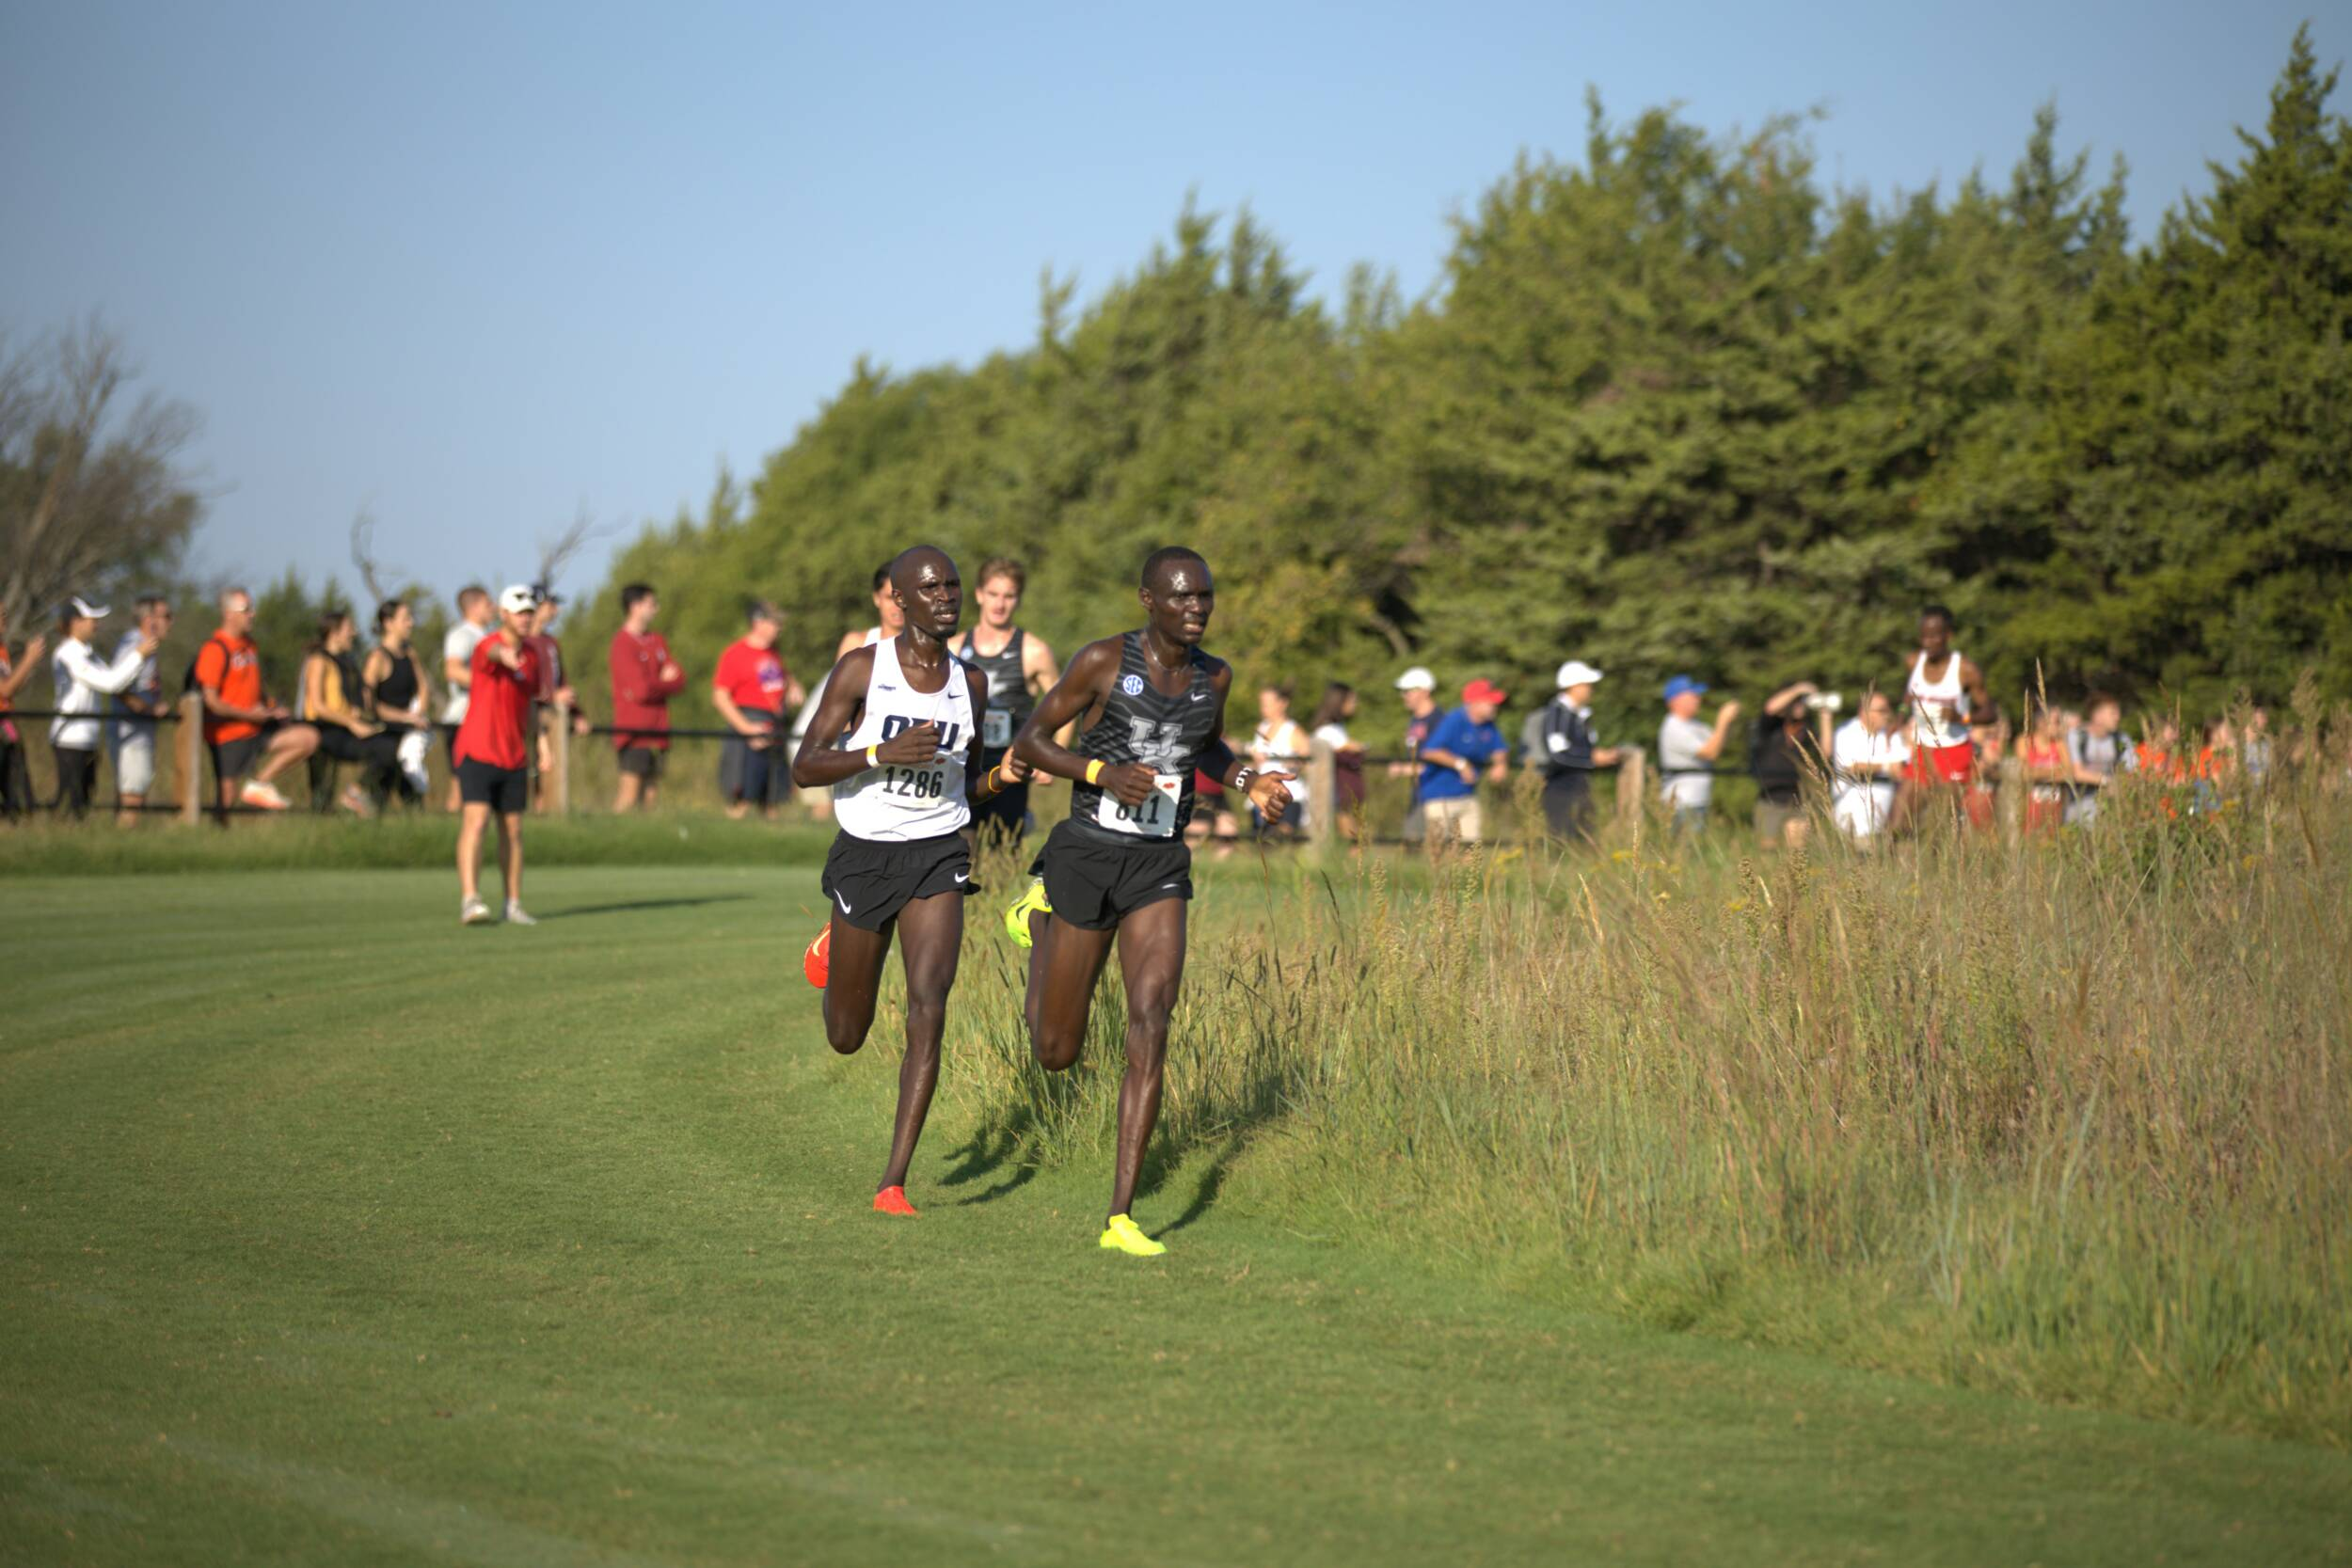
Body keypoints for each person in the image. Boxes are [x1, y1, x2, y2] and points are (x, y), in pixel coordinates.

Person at [1001, 546, 1295, 1256]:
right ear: (1149, 600)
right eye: (1183, 596)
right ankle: (1038, 913)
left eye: (1205, 596)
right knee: (1055, 1050)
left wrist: (1249, 781)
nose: (1197, 608)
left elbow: (1207, 747)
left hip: (1159, 863)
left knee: (1152, 1019)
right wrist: (1102, 772)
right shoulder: (1102, 661)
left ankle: (1120, 1216)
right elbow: (1032, 742)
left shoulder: (1214, 675)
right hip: (1087, 853)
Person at [792, 547, 1026, 1216]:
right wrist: (877, 752)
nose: (946, 596)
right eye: (930, 587)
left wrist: (1001, 778)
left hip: (938, 853)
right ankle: (836, 940)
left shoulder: (970, 683)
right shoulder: (863, 668)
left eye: (953, 584)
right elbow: (805, 766)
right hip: (866, 854)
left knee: (930, 1002)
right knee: (846, 1034)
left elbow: (964, 785)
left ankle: (893, 1180)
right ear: (899, 598)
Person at [453, 586, 545, 926]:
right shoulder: (486, 645)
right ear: (504, 615)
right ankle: (470, 900)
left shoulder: (532, 655)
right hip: (478, 750)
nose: (525, 618)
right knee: (476, 822)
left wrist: (542, 743)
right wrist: (504, 655)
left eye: (529, 612)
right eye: (519, 612)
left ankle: (513, 903)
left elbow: (530, 704)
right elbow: (491, 652)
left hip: (514, 755)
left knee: (514, 830)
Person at [956, 556, 1061, 844]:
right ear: (979, 594)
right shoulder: (954, 647)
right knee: (961, 853)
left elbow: (1063, 709)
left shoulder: (1034, 651)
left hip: (1012, 768)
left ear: (1018, 599)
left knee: (1004, 853)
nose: (999, 604)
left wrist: (1052, 758)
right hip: (964, 767)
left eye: (1009, 596)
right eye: (993, 594)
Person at [792, 565, 909, 823]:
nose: (897, 606)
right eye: (889, 597)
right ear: (876, 598)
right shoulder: (856, 643)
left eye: (902, 598)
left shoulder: (923, 649)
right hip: (858, 748)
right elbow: (837, 701)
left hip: (901, 749)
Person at [192, 587, 320, 815]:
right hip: (228, 734)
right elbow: (211, 701)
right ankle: (215, 833)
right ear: (229, 613)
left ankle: (260, 783)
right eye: (247, 609)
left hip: (256, 727)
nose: (253, 614)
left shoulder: (249, 645)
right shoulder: (215, 649)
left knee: (307, 738)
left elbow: (252, 687)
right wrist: (248, 714)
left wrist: (272, 707)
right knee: (227, 798)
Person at [48, 596, 159, 818]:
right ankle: (57, 833)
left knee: (83, 801)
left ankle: (72, 834)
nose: (96, 624)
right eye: (92, 619)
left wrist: (139, 661)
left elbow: (114, 678)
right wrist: (138, 655)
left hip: (86, 739)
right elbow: (110, 683)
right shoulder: (69, 654)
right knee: (70, 802)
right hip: (69, 739)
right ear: (75, 622)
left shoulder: (89, 654)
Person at [1895, 607, 1993, 832]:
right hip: (1923, 750)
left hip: (1954, 752)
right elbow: (1909, 693)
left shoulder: (1966, 669)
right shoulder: (1913, 661)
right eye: (1923, 636)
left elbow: (1990, 713)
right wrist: (1900, 715)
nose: (1927, 642)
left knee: (1942, 827)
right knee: (1897, 825)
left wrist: (1961, 717)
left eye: (1934, 636)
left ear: (1948, 636)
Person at [298, 610, 402, 813]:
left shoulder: (348, 662)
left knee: (389, 747)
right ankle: (355, 793)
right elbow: (318, 706)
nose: (354, 633)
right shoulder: (318, 660)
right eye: (349, 629)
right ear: (334, 633)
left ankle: (371, 805)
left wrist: (359, 713)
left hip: (343, 727)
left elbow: (348, 701)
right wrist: (351, 722)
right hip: (324, 729)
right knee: (385, 749)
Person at [713, 599, 803, 820]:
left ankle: (770, 835)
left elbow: (782, 679)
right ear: (758, 622)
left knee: (772, 798)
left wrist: (793, 687)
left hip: (773, 724)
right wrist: (746, 728)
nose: (779, 627)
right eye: (775, 622)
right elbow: (720, 697)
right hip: (748, 724)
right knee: (742, 797)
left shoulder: (773, 653)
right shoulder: (736, 653)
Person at [610, 582, 684, 810]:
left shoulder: (657, 640)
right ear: (635, 606)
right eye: (651, 604)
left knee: (651, 797)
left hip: (659, 730)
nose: (656, 609)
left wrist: (659, 683)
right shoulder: (622, 643)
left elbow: (680, 680)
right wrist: (663, 681)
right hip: (634, 731)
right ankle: (614, 830)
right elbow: (640, 691)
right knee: (629, 794)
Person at [1416, 679, 1511, 847]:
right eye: (1490, 702)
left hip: (1467, 795)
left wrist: (1500, 764)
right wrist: (1460, 764)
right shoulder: (1454, 720)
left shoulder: (1488, 725)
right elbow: (1430, 751)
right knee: (1438, 849)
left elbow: (1499, 748)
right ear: (1474, 703)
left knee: (1472, 849)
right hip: (1440, 797)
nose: (1495, 706)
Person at [1535, 660, 1622, 842]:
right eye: (1587, 685)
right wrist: (1592, 759)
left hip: (1579, 788)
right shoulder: (1558, 713)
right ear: (1574, 686)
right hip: (1560, 791)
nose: (1591, 689)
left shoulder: (1579, 714)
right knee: (1562, 841)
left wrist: (1596, 756)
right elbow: (1558, 755)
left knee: (1584, 841)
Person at [107, 594, 173, 824]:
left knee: (135, 792)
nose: (170, 622)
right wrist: (148, 710)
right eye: (166, 616)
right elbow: (117, 686)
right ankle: (124, 839)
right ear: (149, 619)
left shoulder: (147, 646)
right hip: (130, 735)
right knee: (132, 797)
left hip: (139, 734)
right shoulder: (133, 644)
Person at [362, 599, 436, 802]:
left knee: (412, 792)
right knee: (384, 784)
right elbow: (369, 702)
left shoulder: (410, 654)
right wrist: (405, 718)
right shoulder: (377, 658)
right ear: (388, 623)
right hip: (385, 734)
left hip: (409, 731)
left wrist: (418, 713)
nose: (411, 623)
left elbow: (423, 687)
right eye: (405, 619)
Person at [1752, 681, 1833, 849]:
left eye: (1803, 701)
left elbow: (1825, 753)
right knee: (1767, 849)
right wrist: (1799, 689)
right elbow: (1771, 708)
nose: (1800, 705)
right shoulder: (1770, 726)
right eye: (1796, 702)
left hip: (1798, 797)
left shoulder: (1806, 729)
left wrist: (1826, 718)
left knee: (1797, 852)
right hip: (1770, 797)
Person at [1656, 674, 1740, 833]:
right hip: (1683, 803)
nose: (1698, 699)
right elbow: (1710, 752)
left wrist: (1728, 723)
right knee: (1684, 847)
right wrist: (1723, 719)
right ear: (1676, 700)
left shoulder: (1695, 724)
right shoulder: (1673, 727)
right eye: (1693, 695)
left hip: (1697, 801)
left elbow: (1718, 744)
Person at [523, 589, 584, 802]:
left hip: (554, 717)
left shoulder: (550, 642)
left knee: (550, 775)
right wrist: (550, 696)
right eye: (551, 605)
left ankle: (546, 812)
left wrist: (577, 713)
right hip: (528, 716)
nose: (556, 611)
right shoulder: (523, 641)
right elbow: (525, 683)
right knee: (528, 774)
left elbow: (561, 680)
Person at [439, 586, 494, 812]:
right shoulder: (462, 635)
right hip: (462, 719)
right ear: (473, 607)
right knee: (460, 783)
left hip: (482, 719)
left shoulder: (486, 635)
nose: (493, 608)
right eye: (488, 604)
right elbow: (452, 670)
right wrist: (490, 686)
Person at [1831, 689, 1910, 841]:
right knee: (1862, 848)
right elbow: (1850, 767)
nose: (1887, 714)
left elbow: (1900, 768)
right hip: (1855, 808)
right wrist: (1886, 767)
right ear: (1864, 712)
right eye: (1882, 710)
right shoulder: (1847, 732)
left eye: (1888, 710)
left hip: (1886, 811)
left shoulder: (1892, 734)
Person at [0, 604, 44, 819]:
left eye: (4, 614)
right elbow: (5, 690)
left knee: (16, 783)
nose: (4, 618)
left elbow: (11, 687)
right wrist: (28, 659)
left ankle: (20, 820)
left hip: (6, 723)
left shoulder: (2, 649)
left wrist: (29, 667)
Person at [1307, 682, 1367, 839]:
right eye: (1351, 700)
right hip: (1337, 791)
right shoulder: (1327, 731)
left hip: (1341, 791)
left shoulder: (1337, 727)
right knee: (1349, 830)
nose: (1354, 704)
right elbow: (1349, 748)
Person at [2064, 693, 2134, 827]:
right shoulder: (2076, 737)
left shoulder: (2122, 738)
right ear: (2097, 715)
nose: (2118, 717)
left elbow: (2132, 771)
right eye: (2113, 713)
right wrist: (2109, 781)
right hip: (2079, 806)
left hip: (2111, 807)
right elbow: (2077, 773)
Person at [1249, 683, 1311, 835]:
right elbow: (1254, 764)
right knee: (1262, 838)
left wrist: (1295, 763)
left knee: (1282, 837)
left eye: (1267, 704)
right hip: (1263, 794)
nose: (1263, 708)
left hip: (1288, 795)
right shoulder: (1261, 728)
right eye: (1262, 703)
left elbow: (1308, 761)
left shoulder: (1293, 731)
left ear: (1282, 704)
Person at [1392, 667, 1439, 847]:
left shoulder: (1438, 721)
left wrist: (1403, 769)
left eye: (1408, 691)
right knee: (1412, 844)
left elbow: (1437, 759)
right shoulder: (1414, 720)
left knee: (1435, 847)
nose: (1404, 696)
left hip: (1436, 794)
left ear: (1425, 691)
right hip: (1418, 794)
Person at [2016, 703, 2077, 836]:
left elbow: (2069, 774)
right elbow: (2025, 774)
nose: (2060, 727)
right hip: (2030, 807)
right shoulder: (2025, 741)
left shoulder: (2060, 744)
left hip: (2055, 808)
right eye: (2056, 722)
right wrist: (2056, 770)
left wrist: (2038, 772)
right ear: (2041, 723)